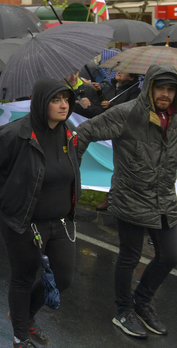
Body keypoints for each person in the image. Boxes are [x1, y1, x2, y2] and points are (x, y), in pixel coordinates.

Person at [0, 78, 80, 348]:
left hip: (60, 222)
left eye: (66, 99)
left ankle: (25, 316)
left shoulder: (69, 134)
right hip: (22, 221)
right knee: (24, 276)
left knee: (62, 279)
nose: (63, 105)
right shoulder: (15, 134)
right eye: (56, 100)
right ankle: (20, 335)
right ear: (42, 103)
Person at [73, 64, 177, 339]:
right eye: (160, 88)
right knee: (130, 256)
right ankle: (123, 311)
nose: (165, 94)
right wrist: (71, 176)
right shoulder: (128, 112)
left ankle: (142, 302)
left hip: (164, 198)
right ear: (150, 87)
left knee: (169, 255)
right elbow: (83, 132)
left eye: (171, 89)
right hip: (130, 195)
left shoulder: (175, 117)